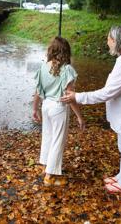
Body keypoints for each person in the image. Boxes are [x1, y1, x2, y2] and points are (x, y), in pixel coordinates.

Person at [61, 25, 121, 194]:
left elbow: (108, 92)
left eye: (109, 39)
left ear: (116, 41)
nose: (107, 42)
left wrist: (78, 96)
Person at [33, 37, 85, 185]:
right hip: (58, 107)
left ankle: (45, 166)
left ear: (51, 50)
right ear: (66, 51)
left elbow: (37, 91)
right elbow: (69, 96)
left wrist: (35, 109)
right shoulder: (67, 69)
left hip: (46, 105)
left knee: (48, 137)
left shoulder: (43, 67)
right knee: (58, 141)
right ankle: (50, 176)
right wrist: (80, 117)